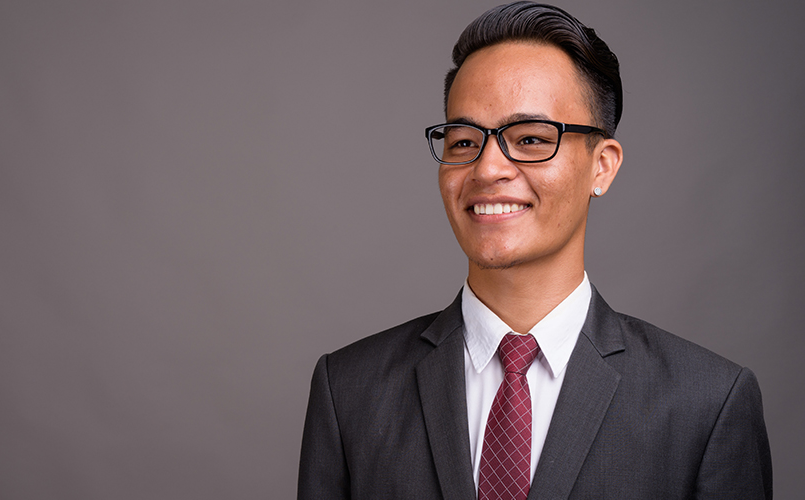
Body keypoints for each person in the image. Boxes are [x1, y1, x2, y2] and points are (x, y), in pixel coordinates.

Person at [297, 2, 772, 499]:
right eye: (463, 142)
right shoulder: (349, 390)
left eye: (529, 139)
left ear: (602, 166)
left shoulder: (706, 403)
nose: (487, 169)